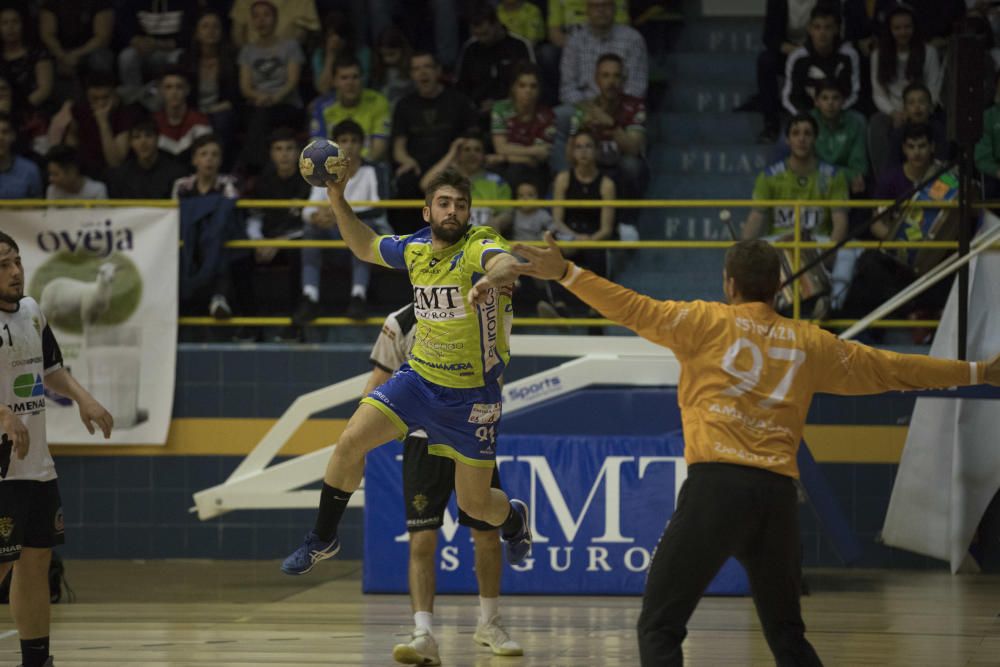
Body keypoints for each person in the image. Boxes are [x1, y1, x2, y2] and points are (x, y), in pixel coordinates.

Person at [511, 233, 1000, 667]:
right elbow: (894, 369)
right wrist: (978, 372)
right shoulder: (811, 342)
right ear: (779, 287)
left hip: (716, 491)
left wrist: (568, 272)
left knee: (660, 627)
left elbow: (631, 307)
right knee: (787, 637)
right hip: (777, 499)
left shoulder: (702, 322)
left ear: (729, 284)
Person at [280, 167, 532, 595]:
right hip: (418, 379)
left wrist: (490, 278)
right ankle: (323, 537)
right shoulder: (414, 247)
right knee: (349, 441)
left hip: (473, 394)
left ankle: (513, 519)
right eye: (445, 203)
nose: (453, 211)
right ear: (428, 210)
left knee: (475, 504)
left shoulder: (478, 243)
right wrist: (336, 195)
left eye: (461, 205)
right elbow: (363, 245)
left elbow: (507, 262)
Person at [365, 302, 522, 664]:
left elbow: (495, 377)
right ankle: (424, 633)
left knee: (485, 533)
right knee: (422, 539)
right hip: (421, 442)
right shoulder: (399, 322)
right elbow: (377, 383)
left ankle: (490, 622)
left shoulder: (479, 311)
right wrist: (358, 441)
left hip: (469, 434)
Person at [0, 231, 114, 667]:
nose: (15, 272)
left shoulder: (30, 311)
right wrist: (3, 415)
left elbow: (51, 367)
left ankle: (37, 660)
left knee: (36, 559)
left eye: (17, 261)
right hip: (1, 469)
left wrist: (84, 398)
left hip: (35, 464)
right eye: (4, 265)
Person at [293, 120, 392, 325]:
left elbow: (378, 207)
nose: (349, 145)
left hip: (361, 232)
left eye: (354, 140)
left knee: (363, 233)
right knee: (310, 230)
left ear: (362, 144)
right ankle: (310, 297)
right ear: (336, 145)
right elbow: (309, 209)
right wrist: (315, 217)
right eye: (344, 140)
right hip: (333, 234)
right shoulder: (323, 173)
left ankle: (359, 297)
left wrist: (339, 214)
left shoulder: (374, 170)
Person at [419, 131, 513, 232]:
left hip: (485, 239)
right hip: (450, 236)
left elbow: (507, 213)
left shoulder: (497, 182)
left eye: (477, 150)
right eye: (466, 150)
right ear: (458, 154)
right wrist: (451, 153)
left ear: (483, 155)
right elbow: (425, 184)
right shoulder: (448, 179)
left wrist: (495, 223)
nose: (472, 154)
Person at [106, 118, 188, 199]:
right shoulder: (120, 176)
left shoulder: (176, 174)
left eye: (148, 135)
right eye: (137, 137)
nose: (143, 142)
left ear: (157, 139)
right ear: (130, 143)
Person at [153, 69, 212, 163]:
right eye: (168, 87)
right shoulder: (153, 123)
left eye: (179, 87)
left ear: (187, 90)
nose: (174, 92)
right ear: (161, 91)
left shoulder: (200, 122)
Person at [0, 112, 42, 199]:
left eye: (5, 132)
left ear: (13, 136)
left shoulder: (30, 170)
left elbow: (37, 209)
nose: (0, 137)